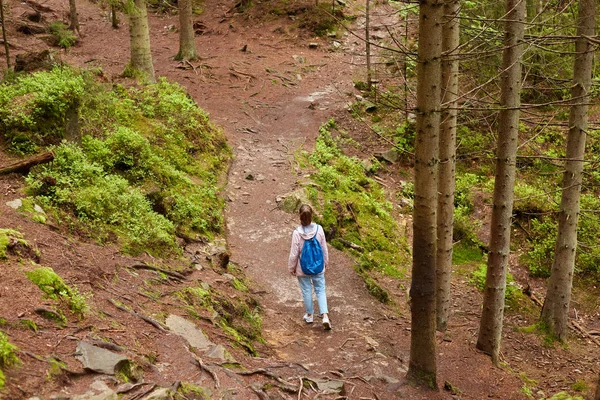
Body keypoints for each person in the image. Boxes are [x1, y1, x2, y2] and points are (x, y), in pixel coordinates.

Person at [288, 204, 331, 330]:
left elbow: (294, 253)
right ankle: (325, 316)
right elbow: (324, 248)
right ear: (312, 215)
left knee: (306, 290)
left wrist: (292, 268)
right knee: (320, 289)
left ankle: (309, 315)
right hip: (318, 266)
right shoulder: (319, 229)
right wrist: (325, 262)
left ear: (299, 217)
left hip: (303, 268)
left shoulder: (297, 233)